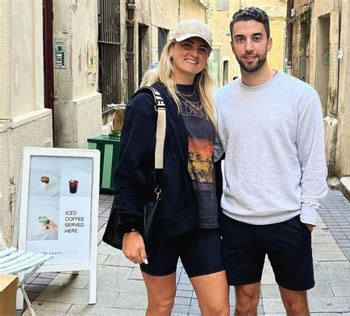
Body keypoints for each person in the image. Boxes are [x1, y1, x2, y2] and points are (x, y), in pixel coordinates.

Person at [109, 19, 229, 315]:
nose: (194, 53)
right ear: (171, 49)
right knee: (162, 304)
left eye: (202, 48)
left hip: (204, 222)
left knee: (218, 309)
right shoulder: (148, 102)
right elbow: (128, 170)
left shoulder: (211, 103)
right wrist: (130, 229)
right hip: (162, 222)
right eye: (187, 45)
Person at [214, 7, 328, 316]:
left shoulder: (300, 95)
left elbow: (314, 160)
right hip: (237, 219)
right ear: (233, 44)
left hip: (288, 219)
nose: (248, 46)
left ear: (269, 42)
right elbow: (210, 154)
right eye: (240, 39)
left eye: (256, 38)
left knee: (296, 305)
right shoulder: (221, 99)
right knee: (245, 303)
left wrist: (308, 215)